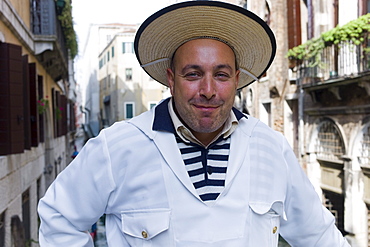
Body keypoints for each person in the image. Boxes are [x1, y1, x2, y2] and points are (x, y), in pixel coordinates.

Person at [38, 1, 350, 246]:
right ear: (171, 79)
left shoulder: (271, 148)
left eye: (222, 75)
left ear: (237, 80)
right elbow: (59, 219)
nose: (209, 90)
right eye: (193, 74)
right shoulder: (118, 147)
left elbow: (319, 237)